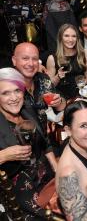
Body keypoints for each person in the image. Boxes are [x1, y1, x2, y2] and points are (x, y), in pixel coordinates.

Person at [0, 68, 56, 220]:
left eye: (17, 90)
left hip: (46, 173)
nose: (14, 98)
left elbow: (45, 142)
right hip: (20, 186)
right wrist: (3, 155)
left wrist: (58, 170)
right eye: (5, 93)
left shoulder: (26, 109)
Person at [12, 42, 66, 157]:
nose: (31, 63)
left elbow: (62, 106)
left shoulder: (42, 79)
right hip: (21, 150)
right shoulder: (8, 87)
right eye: (25, 58)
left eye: (35, 59)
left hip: (46, 142)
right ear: (14, 60)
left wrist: (59, 101)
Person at [46, 24, 87, 99]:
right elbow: (49, 87)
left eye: (73, 36)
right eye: (66, 36)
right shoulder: (52, 59)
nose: (70, 40)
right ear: (60, 38)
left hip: (82, 97)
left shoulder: (84, 54)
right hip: (63, 100)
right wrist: (58, 76)